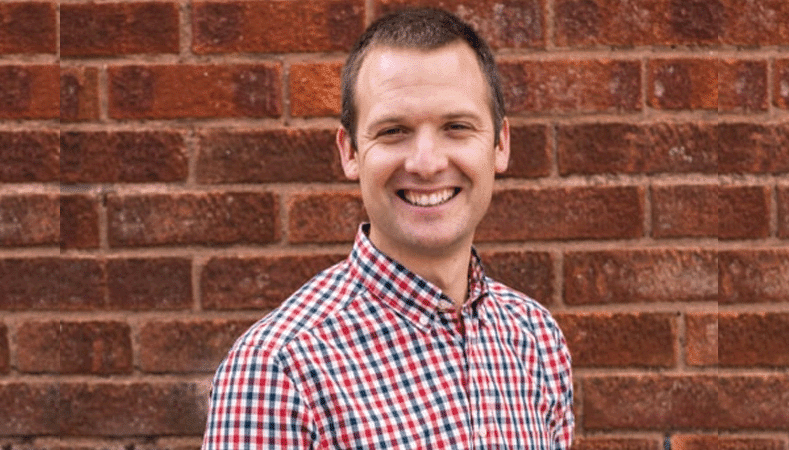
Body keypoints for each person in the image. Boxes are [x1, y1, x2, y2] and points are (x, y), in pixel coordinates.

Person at [202, 8, 573, 449]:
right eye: (394, 130)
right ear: (350, 152)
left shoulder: (535, 338)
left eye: (456, 127)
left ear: (500, 144)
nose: (426, 163)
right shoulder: (279, 371)